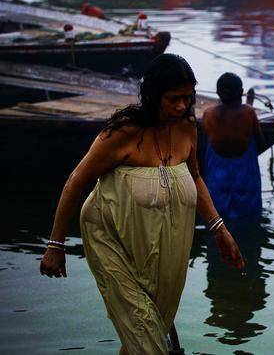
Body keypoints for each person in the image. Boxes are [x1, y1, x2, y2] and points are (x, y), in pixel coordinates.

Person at [39, 54, 244, 355]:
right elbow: (76, 181)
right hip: (112, 240)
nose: (182, 106)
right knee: (145, 333)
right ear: (152, 94)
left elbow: (195, 177)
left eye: (188, 98)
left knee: (146, 333)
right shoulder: (123, 132)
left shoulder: (188, 128)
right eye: (173, 98)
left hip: (166, 248)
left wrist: (219, 229)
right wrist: (55, 245)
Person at [202, 72, 263, 219]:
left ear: (218, 93)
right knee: (249, 219)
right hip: (245, 179)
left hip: (217, 180)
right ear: (241, 93)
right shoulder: (248, 112)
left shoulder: (208, 114)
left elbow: (203, 144)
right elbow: (260, 139)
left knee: (217, 219)